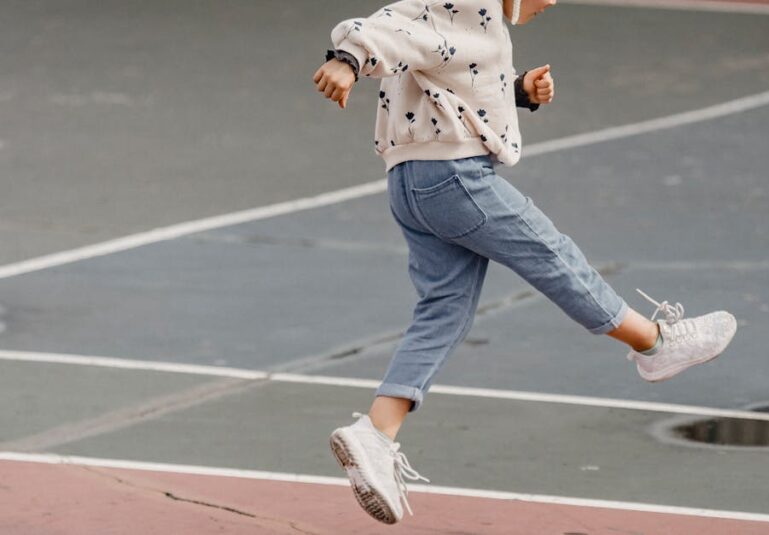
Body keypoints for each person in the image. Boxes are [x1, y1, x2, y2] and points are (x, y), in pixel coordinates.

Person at [312, 0, 737, 524]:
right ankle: (655, 344)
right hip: (453, 177)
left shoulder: (473, 19)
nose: (551, 1)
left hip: (410, 182)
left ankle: (376, 433)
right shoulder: (460, 1)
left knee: (444, 309)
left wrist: (517, 93)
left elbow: (445, 77)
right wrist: (347, 59)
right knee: (552, 254)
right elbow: (388, 26)